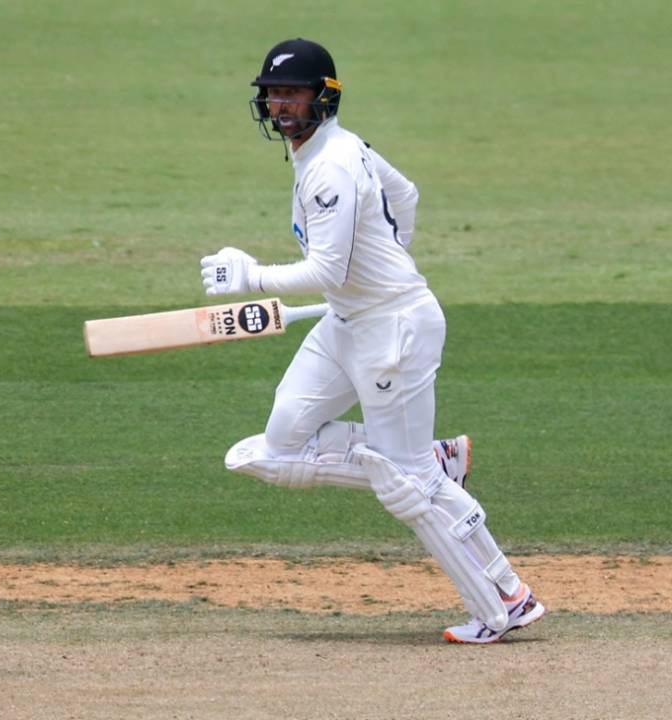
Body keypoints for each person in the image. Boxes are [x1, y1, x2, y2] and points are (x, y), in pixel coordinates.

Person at [199, 39, 543, 643]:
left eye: (293, 93)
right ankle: (431, 461)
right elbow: (404, 196)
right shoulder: (333, 149)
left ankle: (504, 601)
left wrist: (250, 275)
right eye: (273, 94)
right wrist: (382, 267)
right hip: (348, 323)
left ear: (323, 98)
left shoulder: (331, 163)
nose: (281, 105)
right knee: (274, 449)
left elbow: (328, 271)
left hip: (394, 332)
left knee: (405, 488)